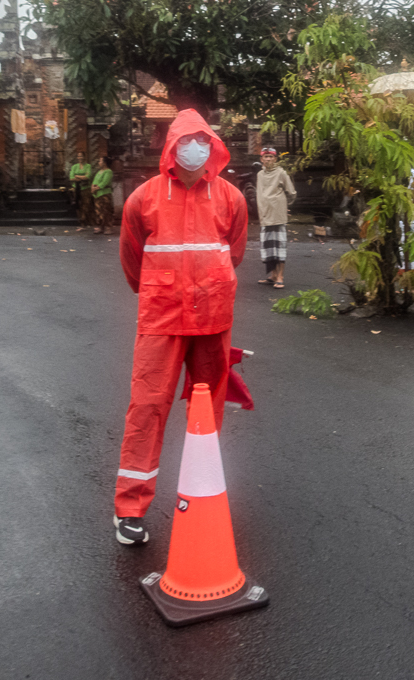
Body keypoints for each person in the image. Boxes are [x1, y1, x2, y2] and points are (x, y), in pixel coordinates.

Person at [112, 110, 248, 545]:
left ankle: (203, 494)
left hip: (212, 316)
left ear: (213, 146)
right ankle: (129, 509)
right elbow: (132, 257)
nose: (196, 148)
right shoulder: (144, 199)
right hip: (162, 317)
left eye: (204, 140)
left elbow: (236, 252)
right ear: (171, 147)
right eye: (187, 141)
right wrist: (159, 288)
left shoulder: (231, 198)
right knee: (147, 408)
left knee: (206, 413)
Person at [255, 147, 296, 289]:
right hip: (265, 214)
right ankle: (273, 275)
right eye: (265, 156)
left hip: (278, 214)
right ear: (261, 159)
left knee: (279, 246)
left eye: (271, 157)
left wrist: (284, 205)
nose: (268, 159)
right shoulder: (260, 174)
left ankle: (280, 276)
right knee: (268, 247)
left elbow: (291, 192)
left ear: (275, 159)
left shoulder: (281, 173)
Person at [91, 156, 115, 234]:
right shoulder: (99, 172)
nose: (99, 163)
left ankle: (108, 227)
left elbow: (104, 183)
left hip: (105, 194)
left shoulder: (108, 171)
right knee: (98, 211)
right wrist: (92, 187)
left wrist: (95, 188)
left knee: (106, 211)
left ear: (104, 163)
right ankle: (100, 226)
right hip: (97, 194)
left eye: (100, 161)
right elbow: (95, 181)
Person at [69, 158, 94, 228]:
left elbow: (87, 177)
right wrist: (82, 177)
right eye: (78, 156)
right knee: (78, 205)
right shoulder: (74, 167)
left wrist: (77, 176)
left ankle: (86, 221)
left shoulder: (88, 166)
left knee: (86, 205)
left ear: (84, 157)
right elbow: (71, 178)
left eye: (81, 156)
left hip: (85, 189)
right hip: (76, 189)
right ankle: (81, 222)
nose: (80, 158)